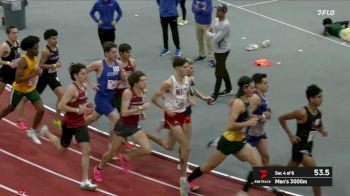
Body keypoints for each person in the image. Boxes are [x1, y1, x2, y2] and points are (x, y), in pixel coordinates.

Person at [179, 76, 261, 196]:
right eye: (252, 88)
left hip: (239, 141)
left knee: (258, 166)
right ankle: (186, 181)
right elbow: (230, 125)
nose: (254, 90)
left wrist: (251, 118)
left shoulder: (246, 100)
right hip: (228, 142)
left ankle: (243, 193)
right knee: (208, 167)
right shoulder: (239, 103)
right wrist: (248, 123)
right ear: (244, 88)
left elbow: (233, 108)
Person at [40, 63, 98, 191]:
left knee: (86, 150)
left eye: (85, 73)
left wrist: (87, 106)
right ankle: (46, 133)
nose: (85, 76)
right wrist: (77, 110)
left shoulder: (84, 85)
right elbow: (61, 106)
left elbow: (81, 102)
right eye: (83, 74)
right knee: (62, 148)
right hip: (69, 123)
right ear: (75, 75)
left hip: (80, 123)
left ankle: (84, 181)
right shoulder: (72, 88)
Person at [93, 71, 152, 181]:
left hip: (134, 126)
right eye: (142, 80)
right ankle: (98, 168)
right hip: (122, 126)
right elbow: (124, 112)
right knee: (113, 152)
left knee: (147, 149)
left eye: (145, 80)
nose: (146, 82)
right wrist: (141, 108)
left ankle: (126, 157)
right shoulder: (128, 92)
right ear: (135, 83)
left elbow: (138, 105)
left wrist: (141, 113)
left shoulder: (143, 92)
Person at [147, 57, 194, 189]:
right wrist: (166, 109)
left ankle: (146, 135)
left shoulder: (188, 80)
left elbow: (186, 95)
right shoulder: (169, 83)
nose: (188, 70)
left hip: (182, 114)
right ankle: (184, 179)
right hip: (171, 115)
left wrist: (190, 100)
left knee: (168, 146)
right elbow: (154, 98)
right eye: (185, 67)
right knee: (186, 145)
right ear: (178, 68)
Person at [279, 84, 328, 196]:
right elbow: (282, 118)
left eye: (322, 96)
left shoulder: (319, 113)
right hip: (300, 148)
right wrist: (290, 135)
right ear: (311, 98)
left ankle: (261, 171)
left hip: (309, 147)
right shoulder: (301, 112)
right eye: (319, 97)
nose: (322, 99)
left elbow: (318, 125)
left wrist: (323, 131)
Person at [0, 35, 44, 145]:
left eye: (37, 47)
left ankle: (32, 131)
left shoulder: (34, 57)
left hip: (30, 89)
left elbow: (33, 71)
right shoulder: (22, 62)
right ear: (28, 49)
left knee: (41, 110)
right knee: (10, 108)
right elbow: (18, 79)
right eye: (35, 48)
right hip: (19, 89)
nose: (37, 50)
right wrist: (34, 74)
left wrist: (38, 72)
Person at [85, 41, 125, 136]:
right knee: (116, 120)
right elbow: (83, 71)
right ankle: (112, 146)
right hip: (101, 98)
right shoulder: (99, 64)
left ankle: (76, 129)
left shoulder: (119, 64)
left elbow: (121, 79)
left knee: (93, 118)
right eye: (113, 52)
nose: (115, 55)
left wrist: (123, 78)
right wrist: (92, 84)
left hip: (112, 97)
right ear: (106, 53)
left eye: (116, 52)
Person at [36, 29, 64, 128]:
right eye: (53, 38)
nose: (56, 40)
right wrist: (54, 65)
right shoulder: (45, 51)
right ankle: (20, 101)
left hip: (53, 76)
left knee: (61, 95)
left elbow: (56, 59)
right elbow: (41, 65)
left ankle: (57, 119)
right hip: (45, 77)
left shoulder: (56, 48)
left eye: (56, 38)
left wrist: (58, 63)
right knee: (34, 95)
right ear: (48, 40)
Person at [0, 25, 26, 130]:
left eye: (16, 32)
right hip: (4, 74)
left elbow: (17, 56)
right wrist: (8, 63)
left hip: (15, 75)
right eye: (13, 33)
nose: (16, 35)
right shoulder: (4, 46)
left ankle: (19, 121)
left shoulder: (17, 42)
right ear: (8, 34)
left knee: (22, 97)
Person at [207, 3, 233, 104]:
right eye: (216, 10)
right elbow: (212, 30)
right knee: (223, 69)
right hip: (217, 51)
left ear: (224, 12)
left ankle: (215, 96)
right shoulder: (216, 19)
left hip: (223, 51)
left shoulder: (226, 24)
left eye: (219, 10)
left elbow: (214, 39)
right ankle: (229, 88)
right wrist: (211, 34)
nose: (216, 12)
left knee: (218, 73)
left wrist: (209, 34)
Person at [246, 73, 271, 166]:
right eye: (265, 83)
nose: (267, 85)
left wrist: (267, 111)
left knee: (266, 158)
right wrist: (263, 116)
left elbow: (261, 111)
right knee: (256, 164)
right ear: (257, 85)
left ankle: (264, 179)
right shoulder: (255, 98)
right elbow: (247, 115)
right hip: (251, 134)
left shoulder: (262, 95)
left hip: (260, 132)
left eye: (267, 82)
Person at [113, 43, 136, 112]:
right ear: (121, 53)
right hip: (118, 92)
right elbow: (115, 76)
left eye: (130, 52)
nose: (129, 54)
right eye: (127, 52)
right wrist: (122, 76)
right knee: (122, 113)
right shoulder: (115, 64)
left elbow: (135, 76)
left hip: (129, 91)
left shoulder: (132, 62)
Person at [192, 0, 215, 67]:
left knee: (208, 42)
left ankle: (211, 58)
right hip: (197, 23)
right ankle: (202, 55)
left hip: (206, 25)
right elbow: (193, 10)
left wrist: (198, 9)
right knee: (199, 40)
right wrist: (202, 9)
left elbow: (208, 12)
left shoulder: (208, 1)